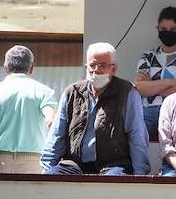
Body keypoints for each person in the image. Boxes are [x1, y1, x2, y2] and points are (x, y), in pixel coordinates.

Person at [41, 41, 148, 176]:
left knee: (113, 182)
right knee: (53, 176)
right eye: (92, 65)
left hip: (113, 165)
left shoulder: (127, 92)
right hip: (75, 165)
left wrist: (140, 175)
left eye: (103, 65)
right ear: (86, 67)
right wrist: (46, 171)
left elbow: (136, 134)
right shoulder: (72, 92)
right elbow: (57, 135)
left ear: (113, 69)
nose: (96, 70)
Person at [0, 45, 57, 173]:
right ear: (32, 67)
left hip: (0, 160)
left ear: (6, 67)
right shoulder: (44, 92)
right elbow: (51, 122)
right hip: (33, 162)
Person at [134, 6, 176, 131]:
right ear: (157, 29)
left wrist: (152, 86)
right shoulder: (148, 56)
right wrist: (175, 82)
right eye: (164, 29)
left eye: (173, 29)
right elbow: (139, 88)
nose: (168, 32)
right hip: (146, 112)